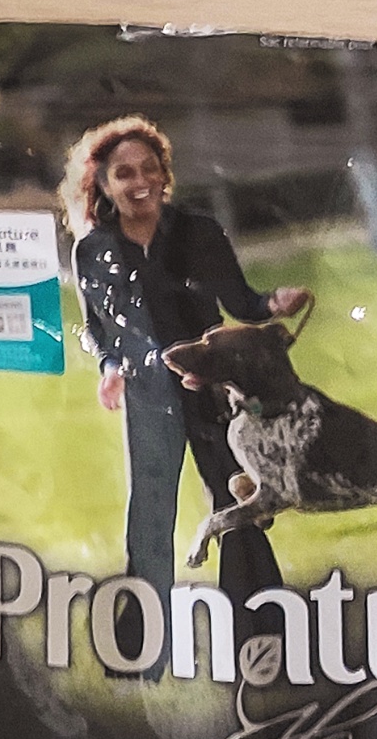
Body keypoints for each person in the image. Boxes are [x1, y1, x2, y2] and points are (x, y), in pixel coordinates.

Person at [63, 115, 306, 608]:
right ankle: (141, 634)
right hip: (149, 394)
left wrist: (273, 303)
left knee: (235, 497)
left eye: (149, 168)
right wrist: (110, 368)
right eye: (124, 173)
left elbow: (241, 301)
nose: (140, 181)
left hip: (211, 386)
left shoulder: (199, 232)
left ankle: (259, 618)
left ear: (163, 174)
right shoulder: (92, 250)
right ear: (104, 186)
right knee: (151, 513)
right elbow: (100, 330)